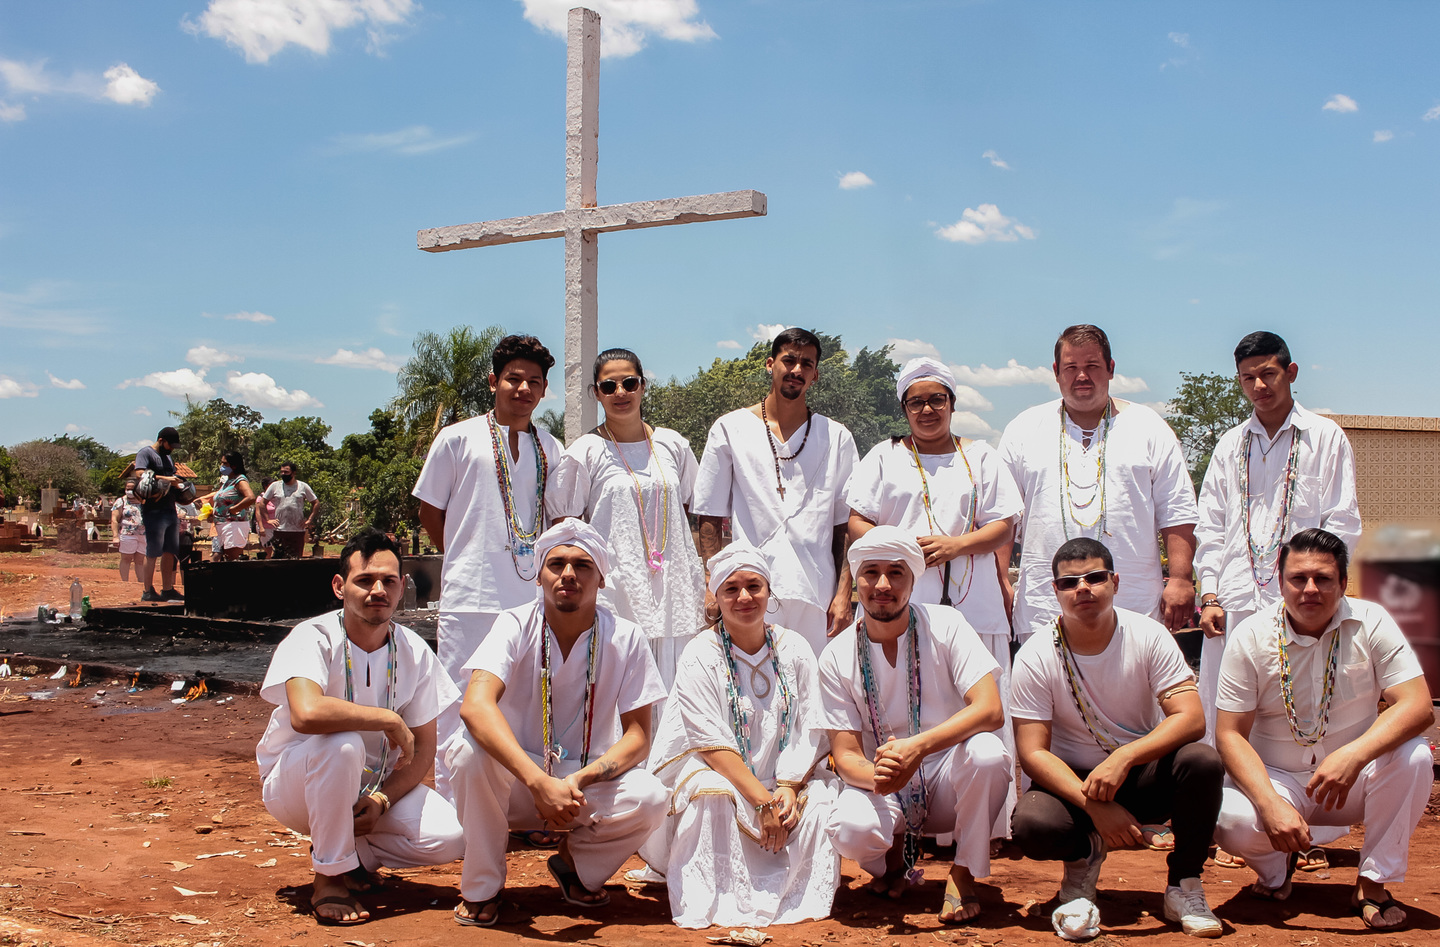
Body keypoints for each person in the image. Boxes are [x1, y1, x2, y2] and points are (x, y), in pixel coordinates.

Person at [443, 520, 668, 927]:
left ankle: (574, 866)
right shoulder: (514, 624)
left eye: (582, 565)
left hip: (578, 788)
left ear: (600, 578)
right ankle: (483, 887)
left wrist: (576, 781)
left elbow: (638, 736)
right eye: (556, 563)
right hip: (513, 780)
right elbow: (475, 706)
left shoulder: (627, 637)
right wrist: (536, 781)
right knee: (467, 753)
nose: (568, 574)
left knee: (651, 797)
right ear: (539, 576)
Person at [1213, 528, 1433, 932]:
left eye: (1324, 579)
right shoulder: (1250, 636)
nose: (1310, 589)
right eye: (1298, 578)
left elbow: (1418, 707)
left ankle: (1373, 883)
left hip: (1353, 780)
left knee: (1415, 756)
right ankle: (1276, 872)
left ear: (1343, 583)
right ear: (1280, 582)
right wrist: (1268, 802)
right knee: (1229, 819)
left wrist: (1355, 753)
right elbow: (1229, 733)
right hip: (1278, 779)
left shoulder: (1372, 622)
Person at [1009, 537, 1224, 939]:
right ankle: (1082, 861)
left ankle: (1185, 884)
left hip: (1139, 773)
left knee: (1202, 761)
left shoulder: (1149, 636)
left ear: (1115, 581)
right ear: (1055, 591)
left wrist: (1124, 758)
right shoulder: (1036, 654)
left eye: (1094, 577)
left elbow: (1192, 718)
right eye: (1069, 582)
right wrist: (1094, 806)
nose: (1083, 589)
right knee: (1033, 825)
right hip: (1072, 783)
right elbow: (1033, 752)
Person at [847, 355, 1023, 840]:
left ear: (952, 403)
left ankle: (980, 826)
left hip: (975, 597)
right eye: (916, 401)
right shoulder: (883, 456)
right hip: (902, 599)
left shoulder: (982, 456)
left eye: (937, 400)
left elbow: (1004, 524)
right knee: (908, 694)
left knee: (979, 699)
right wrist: (902, 547)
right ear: (904, 407)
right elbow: (858, 522)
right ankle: (904, 818)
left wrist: (956, 545)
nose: (927, 410)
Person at [255, 528, 465, 926]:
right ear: (339, 586)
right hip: (296, 786)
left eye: (388, 581)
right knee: (343, 745)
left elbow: (423, 751)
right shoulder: (312, 637)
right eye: (364, 580)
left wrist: (383, 800)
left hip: (370, 791)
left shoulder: (414, 651)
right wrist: (387, 718)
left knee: (451, 837)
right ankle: (329, 877)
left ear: (402, 587)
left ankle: (352, 859)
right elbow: (306, 714)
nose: (377, 591)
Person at [640, 543, 839, 928]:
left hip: (785, 783)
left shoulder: (796, 649)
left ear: (770, 591)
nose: (744, 597)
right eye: (731, 588)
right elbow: (711, 743)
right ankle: (717, 898)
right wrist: (762, 802)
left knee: (821, 805)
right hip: (727, 777)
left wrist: (788, 786)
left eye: (754, 586)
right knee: (709, 793)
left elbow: (811, 726)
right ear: (715, 597)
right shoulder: (701, 653)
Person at [820, 526, 1011, 924]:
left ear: (913, 580)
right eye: (871, 572)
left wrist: (917, 748)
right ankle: (891, 858)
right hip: (886, 781)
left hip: (948, 783)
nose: (883, 584)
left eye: (896, 572)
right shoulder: (836, 655)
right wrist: (884, 775)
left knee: (989, 754)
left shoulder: (946, 624)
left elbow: (991, 710)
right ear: (857, 581)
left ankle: (963, 871)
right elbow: (846, 754)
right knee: (850, 828)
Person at [412, 334, 564, 800]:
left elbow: (556, 520)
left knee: (527, 700)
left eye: (534, 382)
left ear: (543, 391)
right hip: (471, 595)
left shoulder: (552, 448)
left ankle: (521, 803)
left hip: (529, 598)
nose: (523, 389)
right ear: (494, 381)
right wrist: (465, 554)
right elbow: (429, 510)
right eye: (513, 379)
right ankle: (457, 806)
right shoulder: (458, 438)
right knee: (461, 699)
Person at [1195, 332, 1362, 740]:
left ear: (1291, 372)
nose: (1259, 386)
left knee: (1301, 705)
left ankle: (1297, 791)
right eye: (1247, 378)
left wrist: (1320, 588)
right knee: (1227, 711)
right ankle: (1228, 798)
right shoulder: (1229, 445)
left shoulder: (1324, 437)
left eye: (1268, 374)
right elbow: (1211, 525)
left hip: (1301, 600)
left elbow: (1341, 521)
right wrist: (1210, 595)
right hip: (1234, 600)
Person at [998, 325, 1199, 640]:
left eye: (1092, 366)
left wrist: (1181, 580)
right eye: (1071, 368)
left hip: (1132, 604)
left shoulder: (1148, 427)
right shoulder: (1023, 430)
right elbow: (1003, 518)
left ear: (1110, 369)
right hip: (1044, 605)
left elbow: (1177, 510)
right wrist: (1001, 585)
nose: (1082, 376)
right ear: (1056, 372)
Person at [694, 327, 860, 657]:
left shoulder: (837, 437)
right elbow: (710, 515)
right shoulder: (731, 429)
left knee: (815, 693)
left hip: (817, 594)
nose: (796, 370)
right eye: (789, 360)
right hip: (750, 590)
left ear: (815, 375)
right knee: (751, 690)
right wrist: (713, 583)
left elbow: (846, 525)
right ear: (771, 364)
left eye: (807, 364)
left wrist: (844, 594)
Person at [551, 348, 706, 688]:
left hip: (675, 595)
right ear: (596, 393)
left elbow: (696, 511)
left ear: (643, 387)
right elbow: (565, 530)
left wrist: (705, 576)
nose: (620, 393)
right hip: (616, 593)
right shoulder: (585, 451)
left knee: (681, 695)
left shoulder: (673, 445)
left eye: (629, 383)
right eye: (609, 387)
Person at [134, 426, 186, 602]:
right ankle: (147, 590)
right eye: (170, 444)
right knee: (153, 550)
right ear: (161, 440)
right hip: (153, 508)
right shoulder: (146, 453)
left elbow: (172, 477)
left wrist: (178, 483)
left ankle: (167, 588)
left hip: (169, 507)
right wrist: (164, 479)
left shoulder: (168, 458)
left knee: (170, 550)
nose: (171, 449)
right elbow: (140, 473)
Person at [195, 451, 256, 561]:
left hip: (234, 525)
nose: (222, 466)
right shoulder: (227, 482)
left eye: (225, 464)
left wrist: (234, 509)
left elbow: (251, 497)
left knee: (232, 559)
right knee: (226, 558)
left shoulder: (240, 480)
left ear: (234, 465)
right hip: (222, 525)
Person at [262, 462, 320, 559]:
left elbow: (316, 503)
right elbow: (262, 503)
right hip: (280, 530)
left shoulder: (303, 486)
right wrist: (268, 519)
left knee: (295, 559)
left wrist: (309, 520)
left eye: (286, 472)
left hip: (297, 531)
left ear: (293, 473)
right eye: (282, 472)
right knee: (279, 559)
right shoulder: (275, 486)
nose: (283, 474)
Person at [109, 478, 145, 584]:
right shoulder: (121, 501)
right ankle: (125, 582)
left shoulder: (145, 501)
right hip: (128, 534)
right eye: (127, 488)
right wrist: (115, 536)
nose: (129, 491)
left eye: (132, 489)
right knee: (126, 558)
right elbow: (114, 519)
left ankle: (141, 583)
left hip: (143, 535)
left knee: (140, 560)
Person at [254, 476, 278, 559]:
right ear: (266, 486)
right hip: (266, 527)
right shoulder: (261, 498)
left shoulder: (277, 497)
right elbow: (258, 513)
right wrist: (261, 527)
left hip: (277, 527)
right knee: (268, 550)